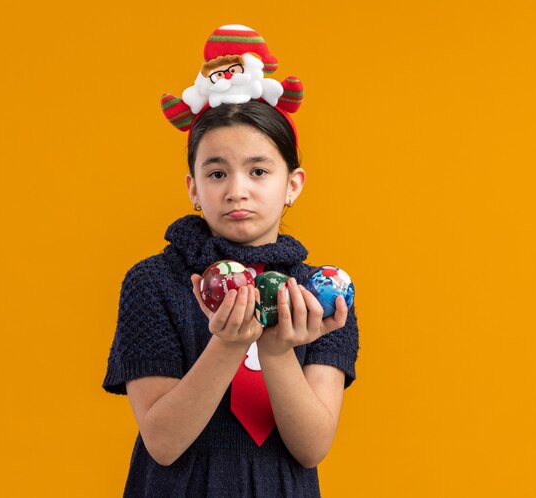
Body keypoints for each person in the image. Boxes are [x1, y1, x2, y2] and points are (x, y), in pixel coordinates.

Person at [102, 25, 359, 498]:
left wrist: (279, 351)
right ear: (194, 188)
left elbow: (311, 447)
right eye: (216, 172)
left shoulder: (321, 294)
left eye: (259, 170)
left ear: (292, 185)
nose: (237, 189)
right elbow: (162, 442)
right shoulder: (153, 282)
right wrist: (225, 346)